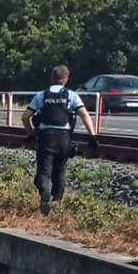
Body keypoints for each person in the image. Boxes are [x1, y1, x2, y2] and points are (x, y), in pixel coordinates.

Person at [20, 65, 99, 216]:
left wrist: (31, 133)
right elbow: (84, 115)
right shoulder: (71, 95)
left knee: (44, 171)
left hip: (46, 137)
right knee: (60, 171)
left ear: (52, 78)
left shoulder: (42, 95)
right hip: (64, 138)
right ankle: (57, 203)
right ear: (66, 79)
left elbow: (24, 117)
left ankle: (44, 192)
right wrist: (92, 136)